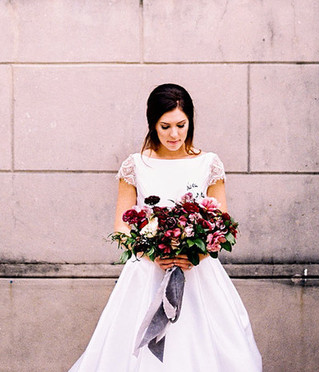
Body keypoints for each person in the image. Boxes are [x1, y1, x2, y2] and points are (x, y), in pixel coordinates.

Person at [68, 83, 262, 371]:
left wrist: (196, 254)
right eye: (165, 126)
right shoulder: (136, 165)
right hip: (147, 274)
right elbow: (122, 228)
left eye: (181, 125)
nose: (174, 134)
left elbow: (222, 225)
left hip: (198, 275)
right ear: (153, 124)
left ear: (190, 122)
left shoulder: (208, 164)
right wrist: (151, 254)